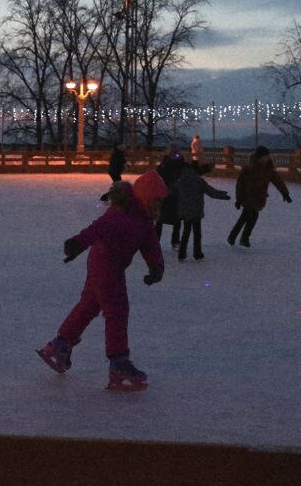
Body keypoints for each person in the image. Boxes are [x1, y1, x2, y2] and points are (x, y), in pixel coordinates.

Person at [36, 177, 166, 392]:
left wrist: (156, 267)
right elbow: (97, 229)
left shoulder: (144, 220)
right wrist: (77, 243)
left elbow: (150, 245)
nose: (159, 206)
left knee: (88, 305)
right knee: (117, 311)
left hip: (110, 265)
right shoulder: (121, 214)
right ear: (145, 198)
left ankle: (59, 347)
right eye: (156, 200)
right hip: (105, 264)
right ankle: (119, 364)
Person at [228, 146, 291, 247]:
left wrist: (285, 193)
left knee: (251, 217)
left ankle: (240, 238)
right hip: (248, 196)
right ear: (259, 157)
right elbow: (240, 184)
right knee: (247, 216)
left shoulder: (268, 169)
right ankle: (236, 237)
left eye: (268, 156)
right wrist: (239, 199)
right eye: (265, 156)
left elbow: (277, 180)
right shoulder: (249, 168)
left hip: (259, 198)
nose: (267, 158)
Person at [172, 162, 230, 261]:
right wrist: (222, 195)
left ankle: (182, 253)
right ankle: (197, 253)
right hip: (196, 211)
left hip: (185, 211)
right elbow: (211, 192)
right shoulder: (199, 181)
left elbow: (171, 191)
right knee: (197, 233)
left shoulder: (181, 180)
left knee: (186, 232)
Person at [155, 147, 186, 247]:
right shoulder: (165, 165)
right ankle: (155, 240)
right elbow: (158, 176)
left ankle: (175, 241)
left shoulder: (181, 165)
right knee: (160, 219)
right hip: (165, 194)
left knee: (176, 218)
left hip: (176, 195)